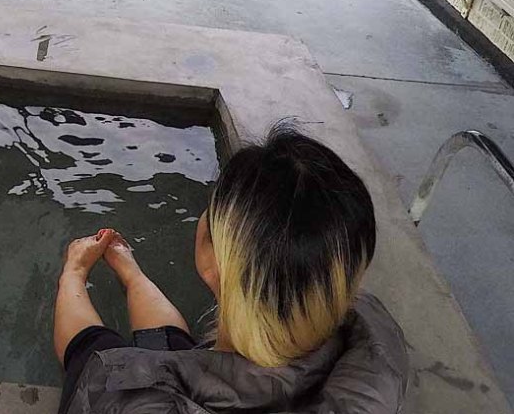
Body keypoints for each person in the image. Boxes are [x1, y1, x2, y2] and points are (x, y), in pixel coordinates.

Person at [54, 125, 408, 414]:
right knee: (173, 350)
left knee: (94, 348)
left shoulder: (130, 401)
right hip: (255, 374)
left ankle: (74, 271)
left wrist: (72, 271)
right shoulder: (373, 350)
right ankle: (131, 274)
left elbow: (110, 384)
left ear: (214, 262)